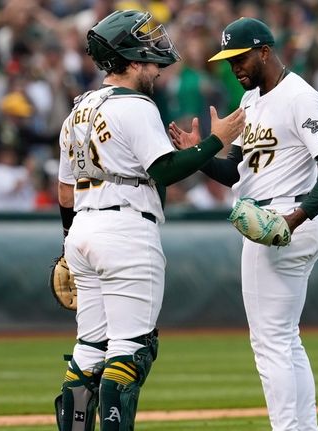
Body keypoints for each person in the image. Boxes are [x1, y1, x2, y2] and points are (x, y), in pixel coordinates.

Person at [54, 10, 245, 431]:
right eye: (151, 56)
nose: (157, 66)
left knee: (89, 348)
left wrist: (66, 248)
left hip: (82, 228)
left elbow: (65, 189)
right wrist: (218, 141)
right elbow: (165, 171)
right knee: (130, 351)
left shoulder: (78, 111)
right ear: (132, 57)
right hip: (125, 226)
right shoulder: (135, 105)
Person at [169, 17, 318, 431]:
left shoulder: (300, 96)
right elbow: (236, 173)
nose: (234, 67)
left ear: (265, 52)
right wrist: (198, 154)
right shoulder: (251, 101)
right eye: (228, 59)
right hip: (273, 217)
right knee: (286, 340)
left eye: (241, 57)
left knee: (269, 343)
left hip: (283, 220)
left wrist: (296, 215)